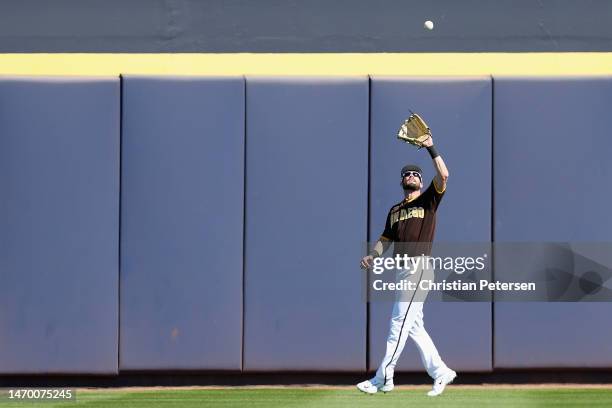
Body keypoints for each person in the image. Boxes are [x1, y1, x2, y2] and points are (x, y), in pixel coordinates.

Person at [357, 135, 456, 397]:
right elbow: (385, 237)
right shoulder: (394, 210)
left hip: (419, 268)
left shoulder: (428, 201)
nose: (411, 176)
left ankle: (383, 378)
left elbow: (444, 175)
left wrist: (430, 147)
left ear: (421, 181)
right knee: (413, 327)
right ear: (402, 181)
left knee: (398, 323)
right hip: (402, 271)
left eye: (415, 174)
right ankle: (441, 371)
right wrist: (373, 255)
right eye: (407, 174)